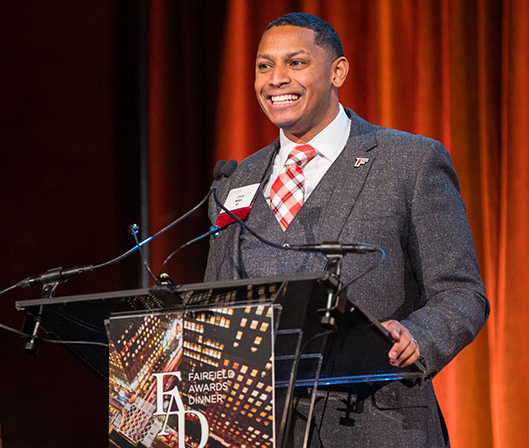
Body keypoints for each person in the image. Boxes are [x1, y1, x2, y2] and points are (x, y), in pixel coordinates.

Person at [204, 12, 489, 447]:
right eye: (264, 66)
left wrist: (419, 336)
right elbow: (216, 305)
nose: (275, 79)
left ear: (338, 71)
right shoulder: (237, 180)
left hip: (378, 422)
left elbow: (462, 293)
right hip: (261, 429)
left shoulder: (409, 162)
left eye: (295, 63)